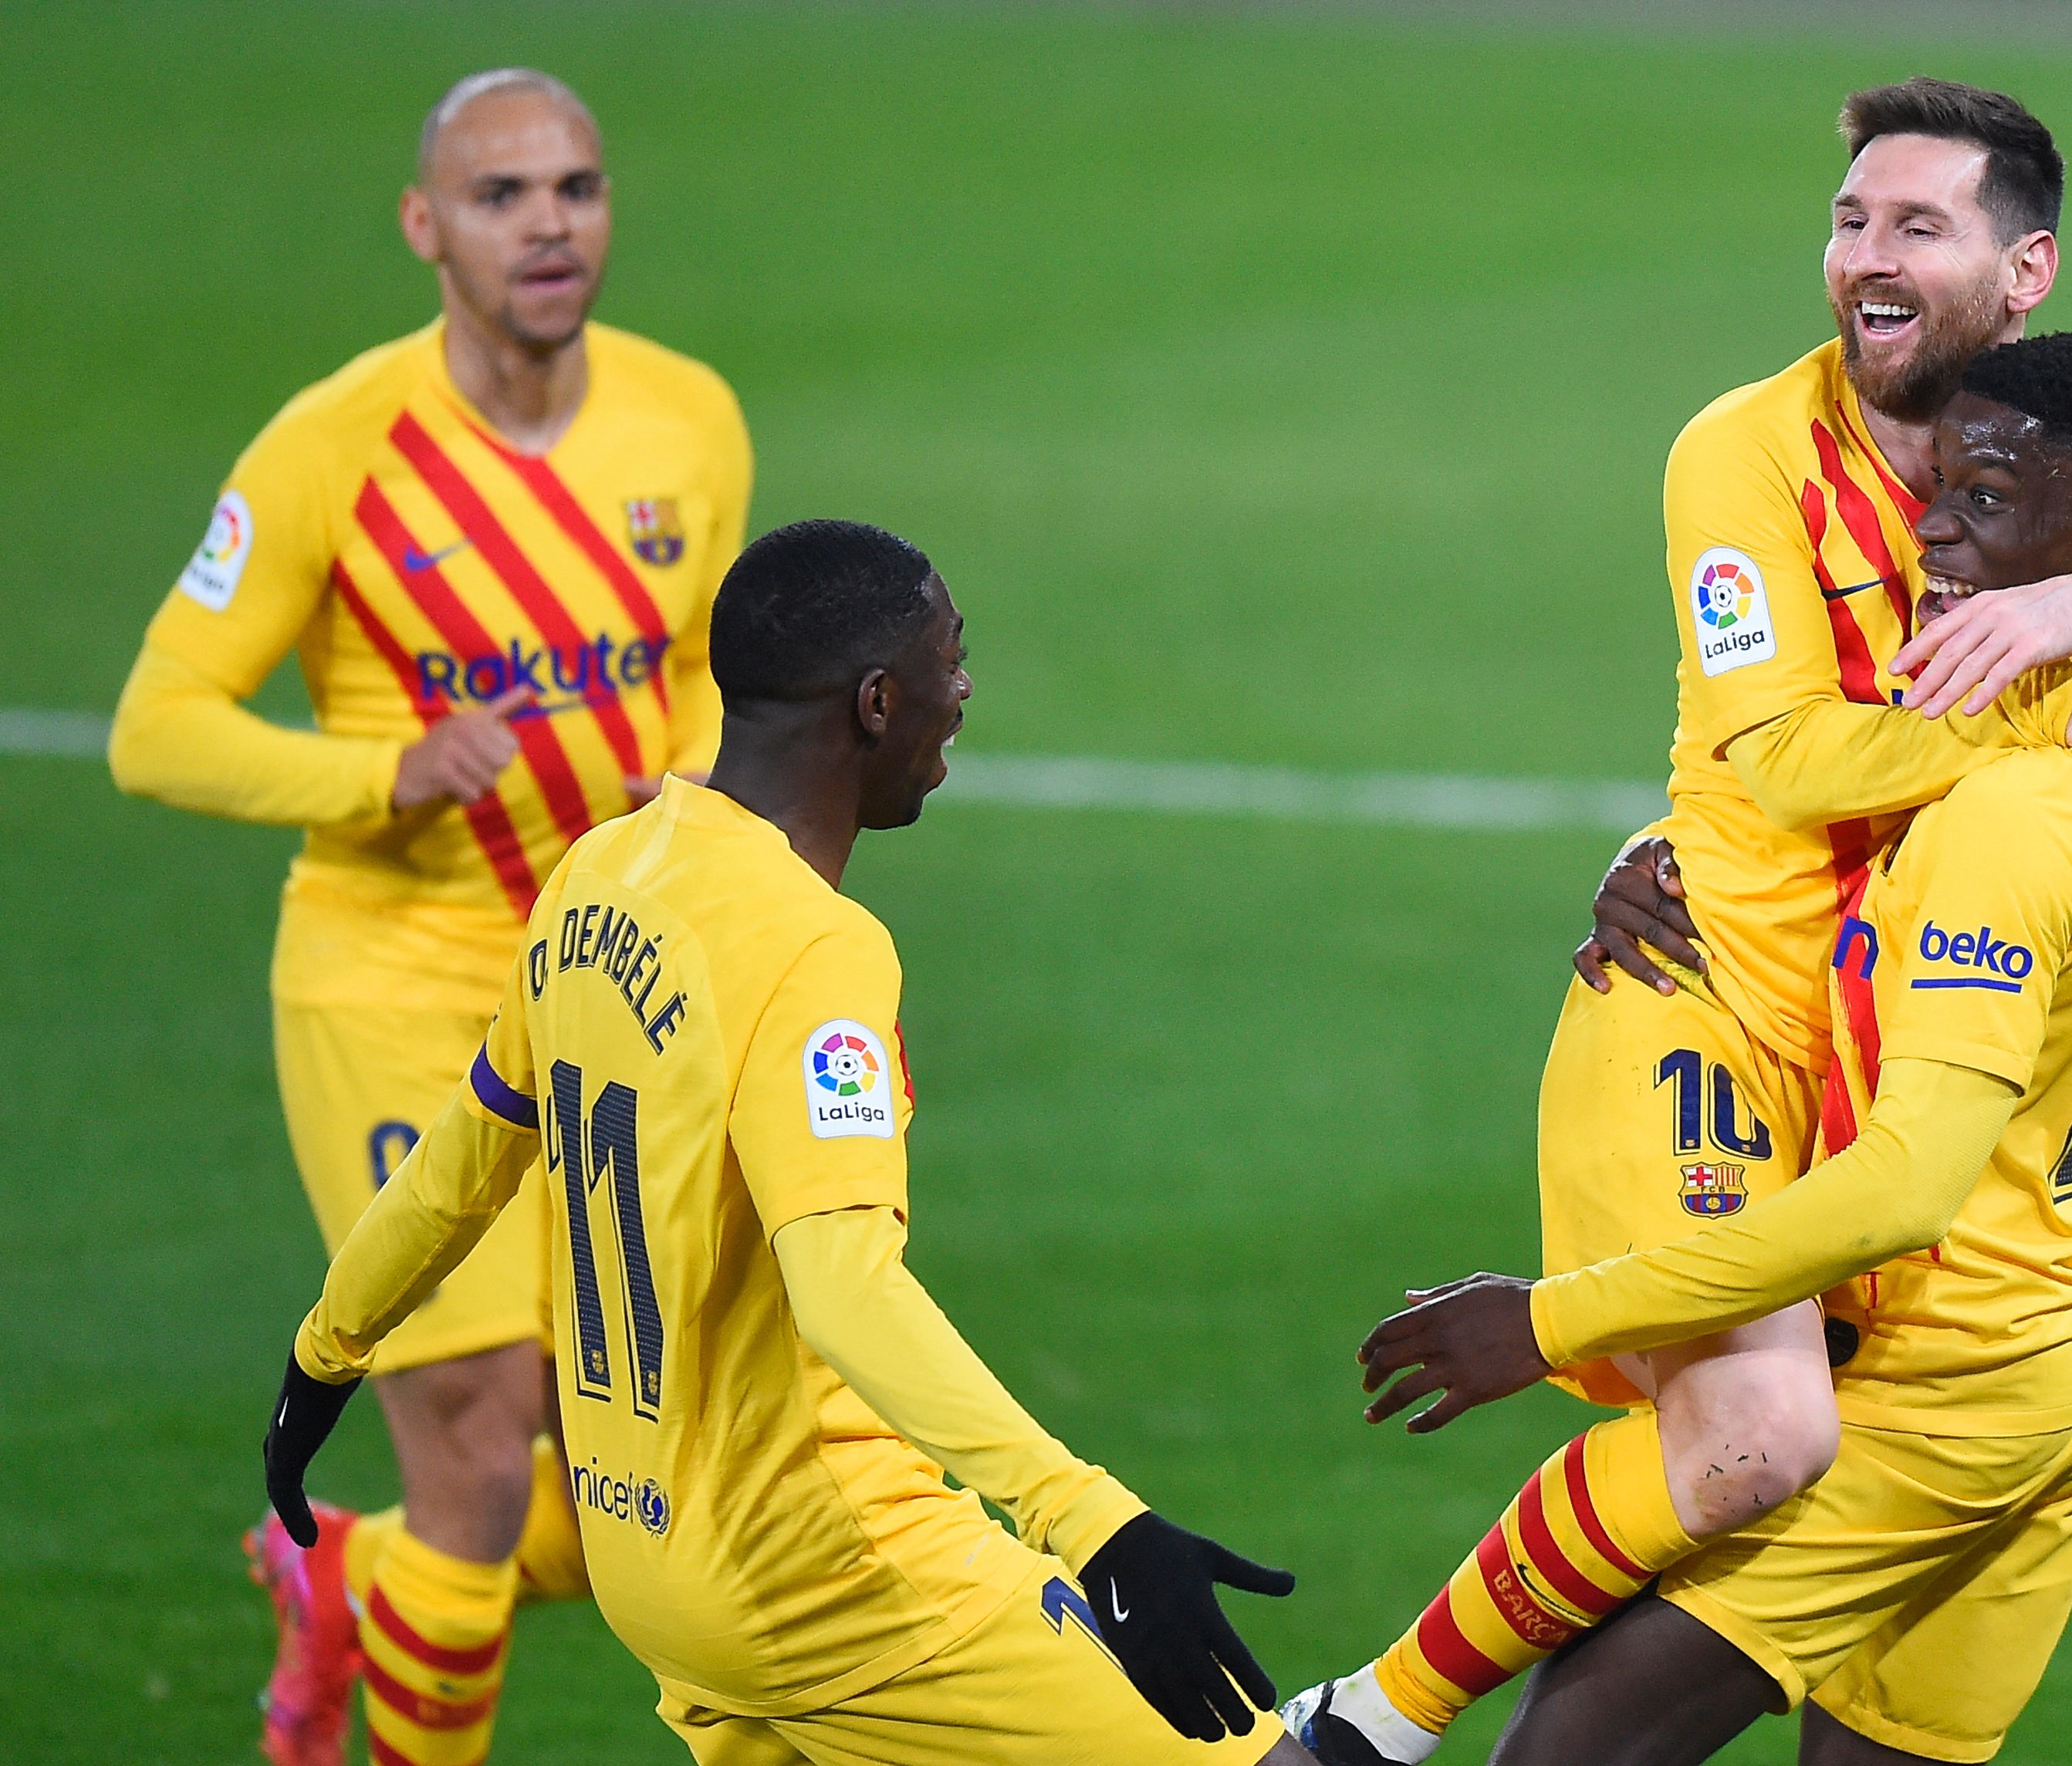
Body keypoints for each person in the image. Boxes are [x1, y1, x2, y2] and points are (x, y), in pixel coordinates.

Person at [1283, 79, 2072, 1764]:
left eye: (1917, 225)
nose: (1865, 257)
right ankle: (1353, 1729)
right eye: (1848, 221)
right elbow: (1776, 755)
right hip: (1712, 1001)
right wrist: (2057, 708)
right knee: (1758, 1431)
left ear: (2025, 267)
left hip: (1910, 1073)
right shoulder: (1746, 452)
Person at [255, 520, 1317, 1766]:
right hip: (831, 1578)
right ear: (877, 702)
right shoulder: (815, 950)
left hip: (649, 1573)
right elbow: (846, 1287)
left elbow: (458, 1164)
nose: (964, 693)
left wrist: (326, 1353)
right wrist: (1097, 1522)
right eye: (951, 661)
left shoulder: (599, 874)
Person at [106, 68, 751, 1766]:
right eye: (502, 194)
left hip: (606, 985)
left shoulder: (689, 418)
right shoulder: (336, 445)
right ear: (424, 227)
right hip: (393, 983)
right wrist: (375, 773)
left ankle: (351, 1585)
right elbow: (156, 723)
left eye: (578, 187)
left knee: (654, 1468)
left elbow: (701, 674)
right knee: (475, 1445)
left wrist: (681, 787)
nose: (550, 223)